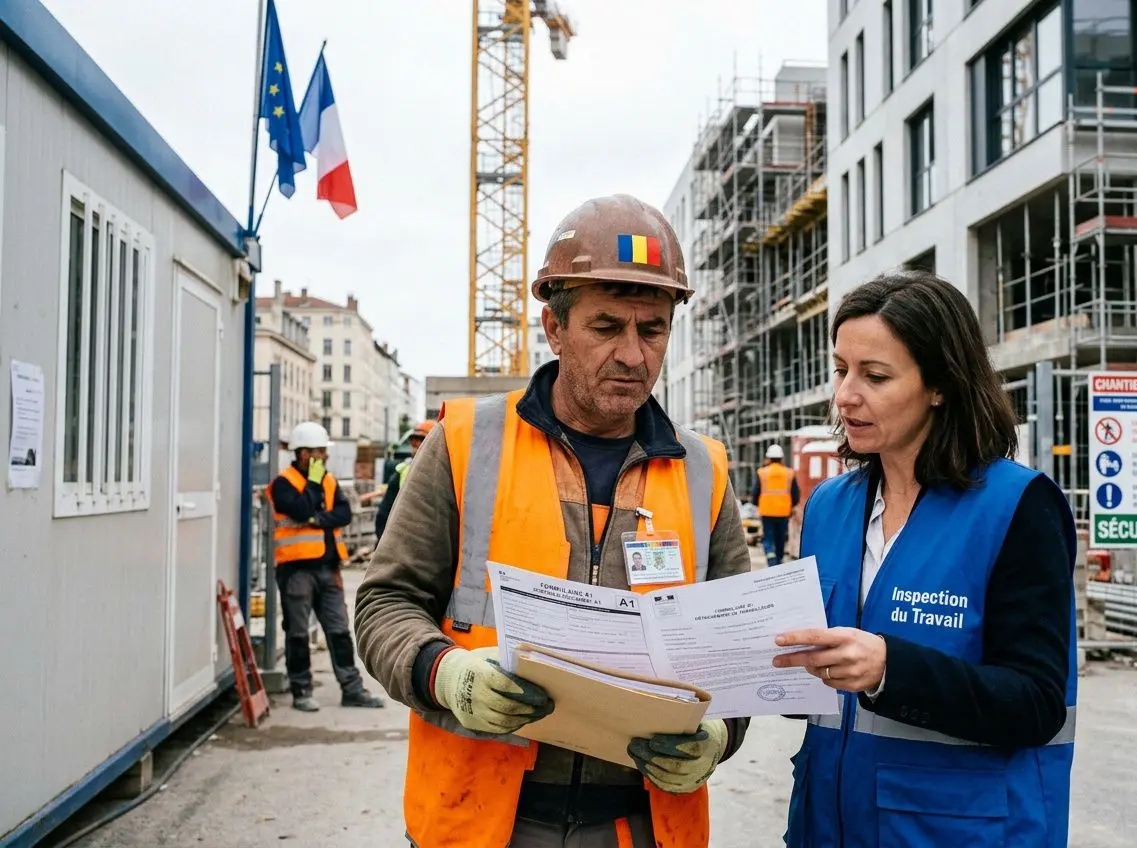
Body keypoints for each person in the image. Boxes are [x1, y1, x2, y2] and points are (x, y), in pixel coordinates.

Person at [355, 194, 754, 848]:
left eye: (652, 329)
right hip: (483, 820)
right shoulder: (465, 445)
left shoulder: (704, 472)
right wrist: (444, 674)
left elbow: (737, 652)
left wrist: (722, 733)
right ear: (553, 325)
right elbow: (385, 603)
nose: (633, 354)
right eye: (606, 327)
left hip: (640, 827)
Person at [772, 269, 1077, 847]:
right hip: (829, 825)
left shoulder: (1016, 506)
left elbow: (1037, 704)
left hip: (952, 829)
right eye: (841, 370)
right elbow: (819, 697)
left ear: (940, 385)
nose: (845, 396)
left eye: (875, 376)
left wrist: (891, 670)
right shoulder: (828, 508)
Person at [266, 421, 385, 712]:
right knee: (297, 633)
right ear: (304, 453)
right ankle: (301, 690)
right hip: (296, 570)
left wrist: (319, 519)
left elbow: (343, 513)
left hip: (328, 568)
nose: (325, 456)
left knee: (339, 630)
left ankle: (352, 689)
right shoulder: (283, 484)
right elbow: (303, 509)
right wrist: (315, 493)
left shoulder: (328, 481)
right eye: (320, 451)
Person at [376, 419, 435, 540]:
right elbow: (384, 512)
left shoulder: (442, 474)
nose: (415, 444)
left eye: (421, 440)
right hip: (401, 540)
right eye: (413, 440)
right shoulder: (402, 471)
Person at [751, 443, 799, 565]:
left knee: (768, 537)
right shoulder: (789, 473)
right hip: (783, 511)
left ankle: (771, 558)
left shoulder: (762, 472)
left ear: (769, 458)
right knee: (780, 538)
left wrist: (757, 504)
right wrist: (791, 506)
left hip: (766, 511)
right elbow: (795, 494)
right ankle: (778, 559)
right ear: (782, 458)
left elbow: (755, 492)